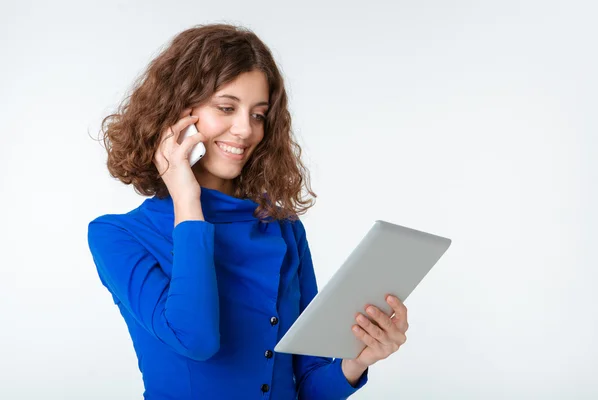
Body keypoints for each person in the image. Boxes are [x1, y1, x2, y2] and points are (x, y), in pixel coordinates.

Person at [87, 23, 409, 399]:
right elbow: (195, 339)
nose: (245, 130)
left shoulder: (284, 228)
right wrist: (187, 200)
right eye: (226, 108)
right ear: (176, 111)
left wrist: (357, 363)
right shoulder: (119, 236)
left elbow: (308, 385)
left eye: (258, 114)